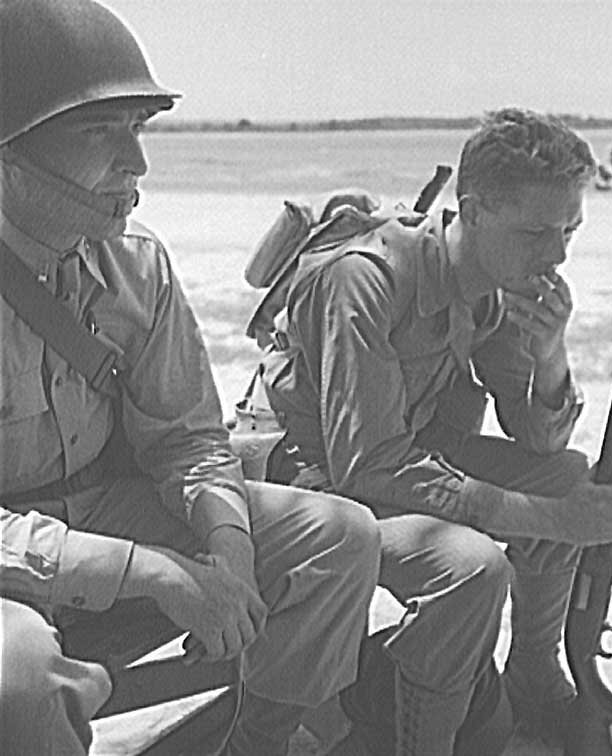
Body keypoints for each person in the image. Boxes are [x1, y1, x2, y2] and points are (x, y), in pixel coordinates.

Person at [0, 2, 381, 755]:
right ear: (10, 154)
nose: (136, 164)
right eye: (99, 132)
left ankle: (253, 742)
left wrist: (228, 548)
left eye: (138, 128)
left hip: (100, 509)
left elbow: (189, 439)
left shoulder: (135, 263)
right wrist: (153, 573)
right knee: (22, 677)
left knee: (338, 537)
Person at [260, 108, 612, 755]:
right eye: (536, 231)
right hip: (313, 486)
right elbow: (368, 466)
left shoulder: (489, 287)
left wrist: (552, 353)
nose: (558, 254)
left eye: (569, 230)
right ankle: (424, 740)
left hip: (400, 457)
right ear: (472, 212)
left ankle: (534, 674)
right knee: (473, 566)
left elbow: (540, 443)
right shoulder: (365, 278)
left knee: (569, 478)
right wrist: (553, 521)